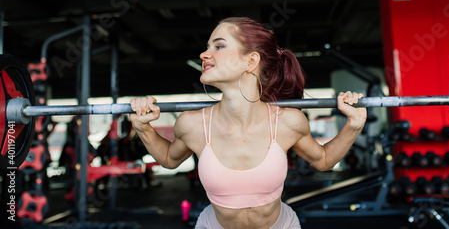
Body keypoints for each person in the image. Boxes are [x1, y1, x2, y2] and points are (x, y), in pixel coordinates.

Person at [129, 17, 367, 229]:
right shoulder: (193, 124)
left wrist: (354, 125)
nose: (204, 54)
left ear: (251, 60)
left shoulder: (287, 122)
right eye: (207, 47)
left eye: (219, 46)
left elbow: (324, 160)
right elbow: (170, 159)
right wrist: (143, 128)